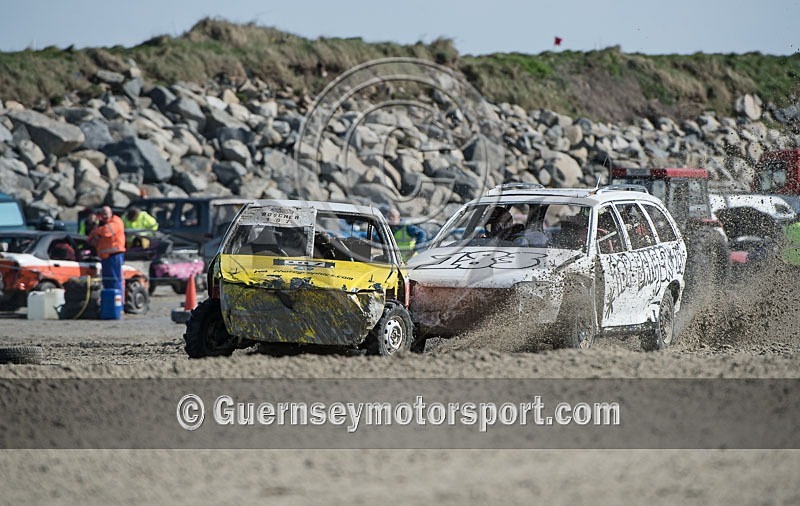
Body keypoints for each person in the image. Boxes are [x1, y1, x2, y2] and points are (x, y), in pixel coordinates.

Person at [88, 206, 127, 298]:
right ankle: (109, 304)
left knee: (115, 281)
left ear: (111, 213)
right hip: (105, 258)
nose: (104, 216)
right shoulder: (101, 225)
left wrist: (97, 231)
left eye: (106, 213)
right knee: (107, 282)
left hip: (114, 256)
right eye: (103, 214)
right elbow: (90, 239)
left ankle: (117, 304)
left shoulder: (116, 221)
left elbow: (107, 232)